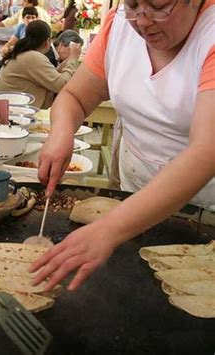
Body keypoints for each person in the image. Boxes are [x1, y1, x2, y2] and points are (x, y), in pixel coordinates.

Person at [31, 0, 215, 292]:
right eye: (132, 5)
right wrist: (61, 132)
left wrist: (109, 228)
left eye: (158, 6)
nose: (142, 21)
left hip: (204, 213)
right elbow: (74, 97)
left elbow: (206, 151)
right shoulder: (118, 26)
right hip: (134, 196)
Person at [0, 23, 82, 109]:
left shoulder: (25, 53)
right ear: (47, 41)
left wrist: (67, 62)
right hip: (14, 112)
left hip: (9, 107)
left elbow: (51, 74)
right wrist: (72, 58)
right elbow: (61, 85)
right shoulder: (33, 57)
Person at [0, 6, 39, 95]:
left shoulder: (38, 30)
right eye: (28, 17)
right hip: (15, 58)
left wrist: (14, 49)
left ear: (37, 18)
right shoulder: (21, 27)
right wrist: (5, 48)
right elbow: (11, 42)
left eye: (33, 18)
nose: (30, 20)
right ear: (23, 18)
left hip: (28, 62)